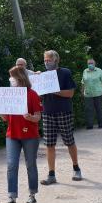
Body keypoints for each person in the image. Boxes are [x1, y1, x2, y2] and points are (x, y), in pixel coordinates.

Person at [0, 66, 43, 203]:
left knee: (30, 165)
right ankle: (11, 198)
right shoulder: (9, 94)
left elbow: (38, 117)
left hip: (30, 135)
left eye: (12, 77)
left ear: (20, 77)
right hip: (12, 135)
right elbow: (5, 118)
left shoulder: (32, 94)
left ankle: (32, 195)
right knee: (11, 165)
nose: (11, 80)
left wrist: (30, 117)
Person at [39, 50, 82, 184]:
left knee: (69, 141)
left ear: (56, 60)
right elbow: (39, 95)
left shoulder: (65, 73)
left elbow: (70, 93)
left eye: (49, 60)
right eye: (45, 60)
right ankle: (51, 174)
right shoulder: (43, 75)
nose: (46, 63)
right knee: (49, 144)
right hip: (47, 112)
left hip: (63, 112)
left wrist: (53, 90)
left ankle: (76, 168)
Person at [81, 58, 102, 129]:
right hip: (88, 93)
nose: (90, 65)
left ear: (94, 64)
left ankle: (100, 123)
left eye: (91, 63)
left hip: (98, 93)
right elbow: (83, 82)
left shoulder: (99, 71)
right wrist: (82, 91)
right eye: (89, 63)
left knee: (99, 109)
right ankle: (90, 125)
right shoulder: (85, 71)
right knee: (89, 109)